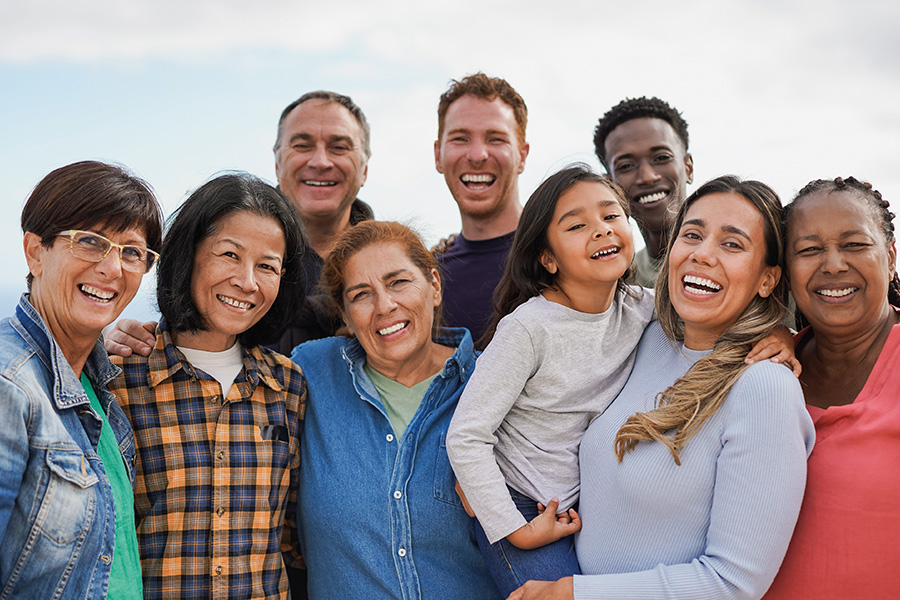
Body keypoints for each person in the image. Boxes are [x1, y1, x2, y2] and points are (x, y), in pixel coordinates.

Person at [510, 176, 815, 600]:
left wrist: (574, 594)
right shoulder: (645, 337)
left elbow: (733, 584)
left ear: (767, 279)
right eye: (692, 235)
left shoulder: (764, 388)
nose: (702, 254)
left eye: (732, 244)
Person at [447, 165, 655, 595]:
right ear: (548, 258)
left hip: (588, 501)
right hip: (520, 502)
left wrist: (778, 333)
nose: (601, 231)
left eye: (611, 216)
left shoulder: (639, 307)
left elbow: (713, 310)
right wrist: (514, 531)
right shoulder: (529, 329)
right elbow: (466, 436)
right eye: (577, 225)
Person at [109, 173, 307, 599]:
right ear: (188, 255)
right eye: (229, 255)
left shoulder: (288, 386)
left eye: (267, 266)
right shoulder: (120, 378)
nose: (247, 281)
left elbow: (293, 533)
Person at [290, 220, 501, 599]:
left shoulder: (494, 381)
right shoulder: (311, 373)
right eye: (361, 294)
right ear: (346, 317)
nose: (385, 306)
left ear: (434, 286)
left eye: (398, 282)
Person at [0, 161, 164, 599]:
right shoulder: (8, 385)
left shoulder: (98, 388)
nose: (113, 268)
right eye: (90, 242)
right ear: (35, 251)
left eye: (132, 252)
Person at [105, 90, 373, 356]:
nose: (320, 161)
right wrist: (118, 338)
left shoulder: (393, 270)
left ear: (364, 168)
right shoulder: (213, 245)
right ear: (277, 161)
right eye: (302, 145)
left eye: (339, 147)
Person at [763, 177, 900, 599]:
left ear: (891, 255)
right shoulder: (761, 369)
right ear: (785, 272)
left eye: (855, 244)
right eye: (809, 250)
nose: (834, 264)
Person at [433, 72, 530, 343]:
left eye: (496, 138)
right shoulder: (425, 280)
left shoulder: (561, 258)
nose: (477, 155)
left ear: (522, 156)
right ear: (438, 155)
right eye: (460, 139)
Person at [593, 97, 694, 287]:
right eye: (626, 166)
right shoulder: (617, 285)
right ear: (610, 185)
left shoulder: (738, 262)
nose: (647, 177)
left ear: (688, 167)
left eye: (661, 157)